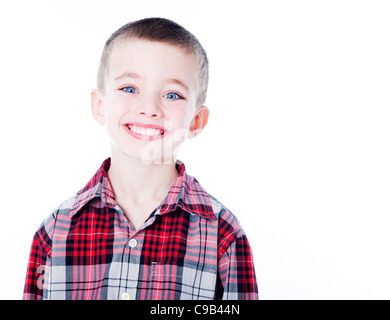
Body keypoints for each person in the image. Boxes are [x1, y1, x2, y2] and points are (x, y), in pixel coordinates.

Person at [23, 17, 258, 300]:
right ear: (99, 105)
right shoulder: (55, 230)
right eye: (130, 89)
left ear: (196, 121)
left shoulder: (224, 234)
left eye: (172, 94)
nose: (149, 108)